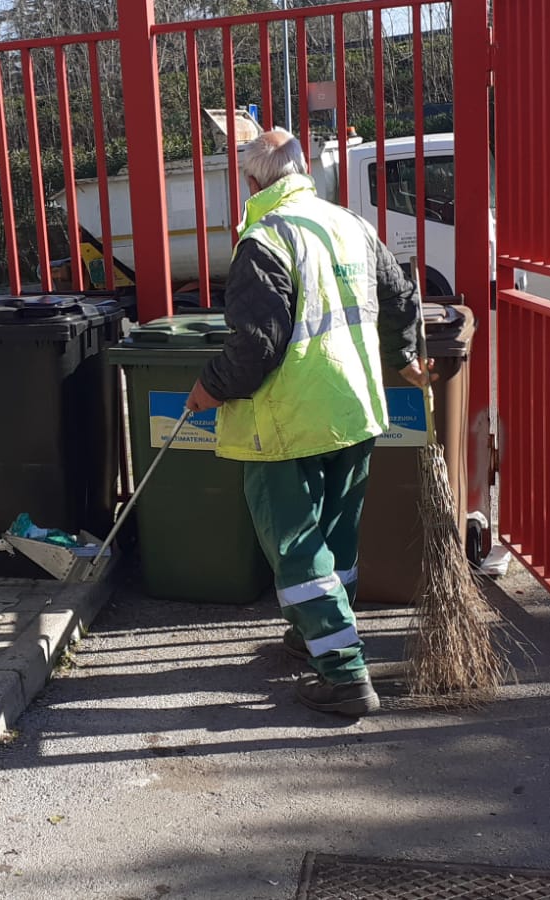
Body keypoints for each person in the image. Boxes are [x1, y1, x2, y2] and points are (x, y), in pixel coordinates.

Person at [185, 128, 429, 717]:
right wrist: (407, 358)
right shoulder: (349, 224)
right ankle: (310, 635)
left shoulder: (264, 240)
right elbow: (400, 297)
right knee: (336, 538)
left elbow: (257, 345)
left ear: (250, 182)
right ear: (306, 172)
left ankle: (345, 676)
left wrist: (208, 389)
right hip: (354, 409)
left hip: (287, 422)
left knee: (296, 547)